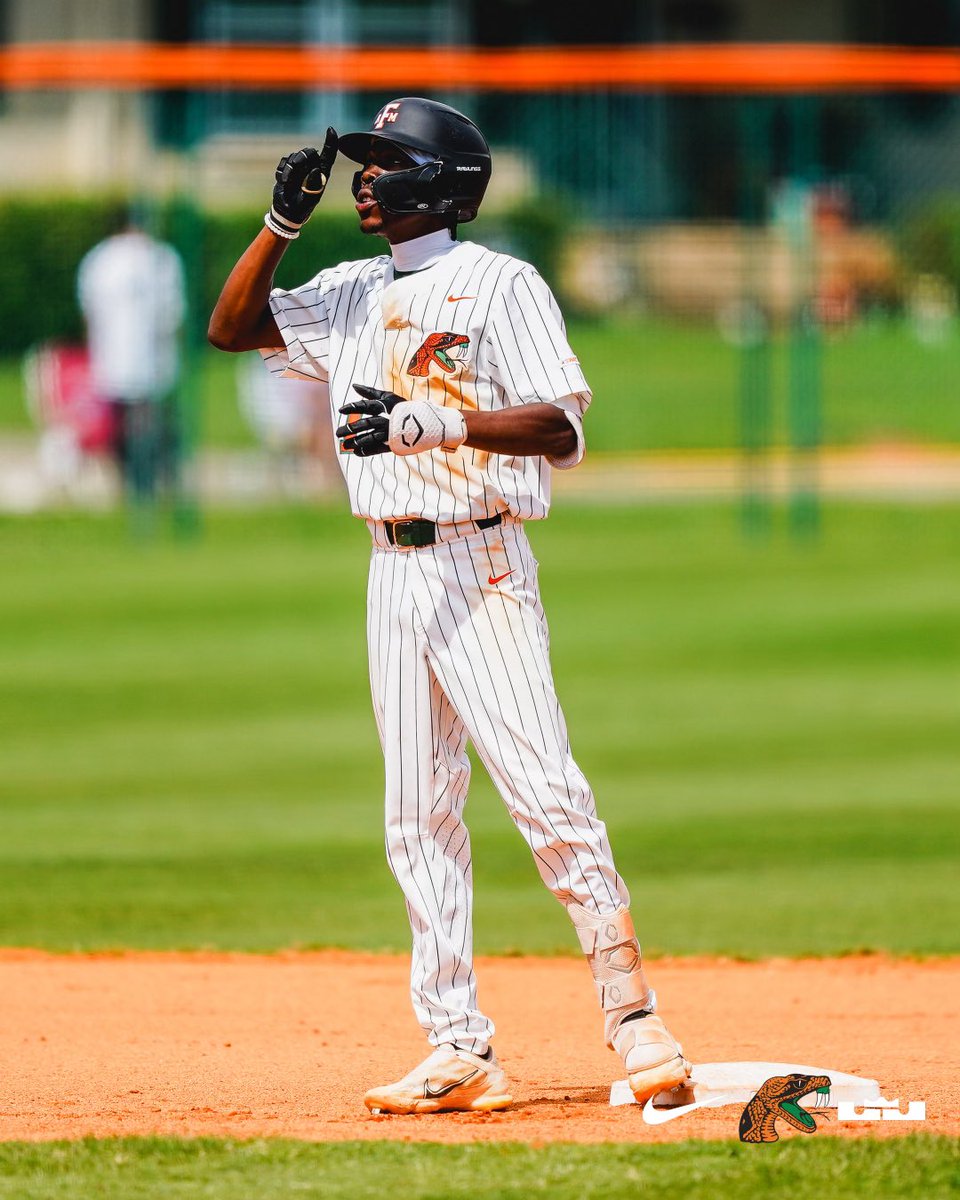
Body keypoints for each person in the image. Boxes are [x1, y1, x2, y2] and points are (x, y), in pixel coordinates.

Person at [208, 97, 691, 1115]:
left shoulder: (499, 283)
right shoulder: (345, 291)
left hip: (484, 564)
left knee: (545, 795)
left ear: (441, 181)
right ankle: (456, 1043)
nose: (365, 178)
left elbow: (561, 428)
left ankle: (634, 1015)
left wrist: (443, 422)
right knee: (415, 817)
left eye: (386, 162)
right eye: (363, 163)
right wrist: (279, 224)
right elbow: (231, 327)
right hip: (393, 570)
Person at [77, 211, 185, 502]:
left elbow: (88, 311)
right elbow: (174, 315)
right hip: (149, 358)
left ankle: (131, 481)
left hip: (116, 357)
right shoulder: (161, 257)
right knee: (147, 421)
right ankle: (147, 480)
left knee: (122, 421)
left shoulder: (100, 259)